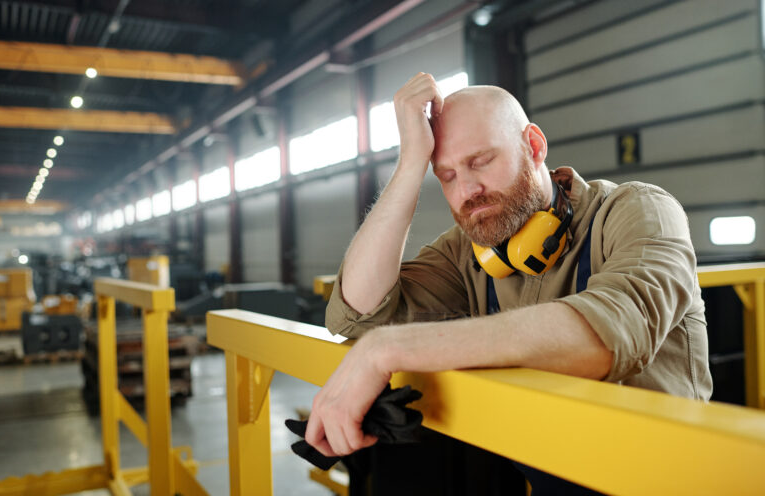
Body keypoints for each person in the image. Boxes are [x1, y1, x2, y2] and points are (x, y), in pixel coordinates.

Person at [304, 72, 712, 491]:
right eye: (446, 176)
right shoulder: (469, 251)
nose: (467, 190)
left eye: (480, 161)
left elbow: (614, 330)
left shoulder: (637, 210)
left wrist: (385, 349)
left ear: (534, 146)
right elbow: (355, 313)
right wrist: (410, 162)